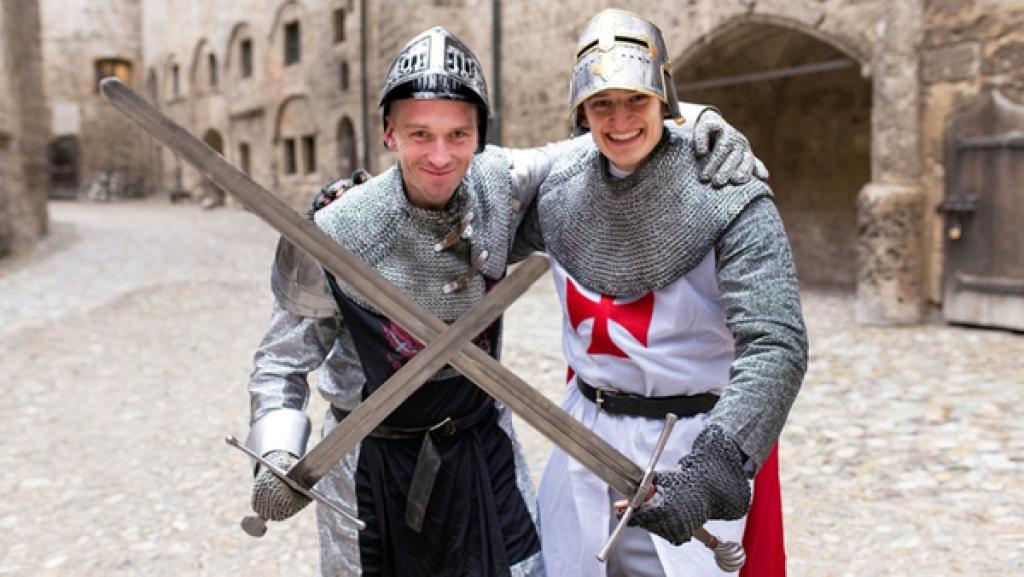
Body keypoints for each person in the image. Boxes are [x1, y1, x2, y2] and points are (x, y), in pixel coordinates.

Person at [244, 26, 762, 577]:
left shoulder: (503, 186)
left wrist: (698, 119)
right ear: (389, 133)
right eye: (420, 134)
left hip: (482, 450)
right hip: (367, 465)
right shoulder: (334, 230)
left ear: (480, 135)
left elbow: (616, 131)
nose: (441, 156)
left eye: (458, 135)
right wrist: (276, 452)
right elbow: (282, 360)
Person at [519, 9, 808, 577]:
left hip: (691, 443)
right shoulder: (557, 188)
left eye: (637, 100)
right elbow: (461, 193)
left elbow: (777, 343)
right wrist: (358, 205)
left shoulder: (727, 189)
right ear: (581, 112)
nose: (620, 119)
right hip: (585, 438)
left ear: (663, 101)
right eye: (602, 103)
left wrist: (715, 467)